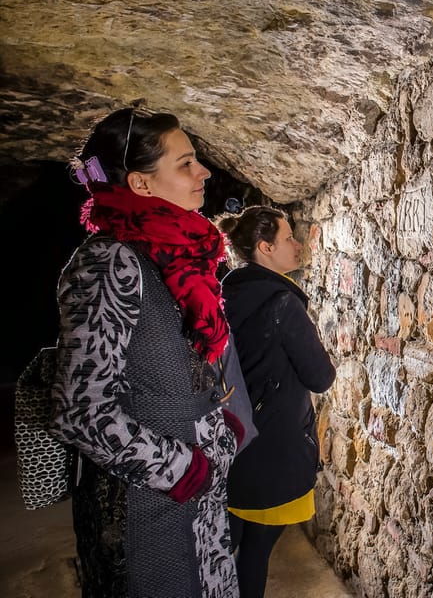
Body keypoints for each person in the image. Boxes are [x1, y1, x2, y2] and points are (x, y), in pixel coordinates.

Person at [50, 107, 245, 597]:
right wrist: (182, 468)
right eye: (185, 164)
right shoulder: (110, 262)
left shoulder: (174, 254)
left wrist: (214, 422)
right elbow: (80, 410)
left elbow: (169, 365)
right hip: (146, 507)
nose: (204, 172)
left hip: (193, 496)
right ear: (139, 185)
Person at [216, 206, 335, 598]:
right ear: (265, 248)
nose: (297, 245)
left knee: (221, 546)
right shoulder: (283, 303)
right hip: (273, 449)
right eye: (288, 238)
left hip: (229, 443)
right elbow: (321, 377)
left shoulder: (220, 297)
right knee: (256, 550)